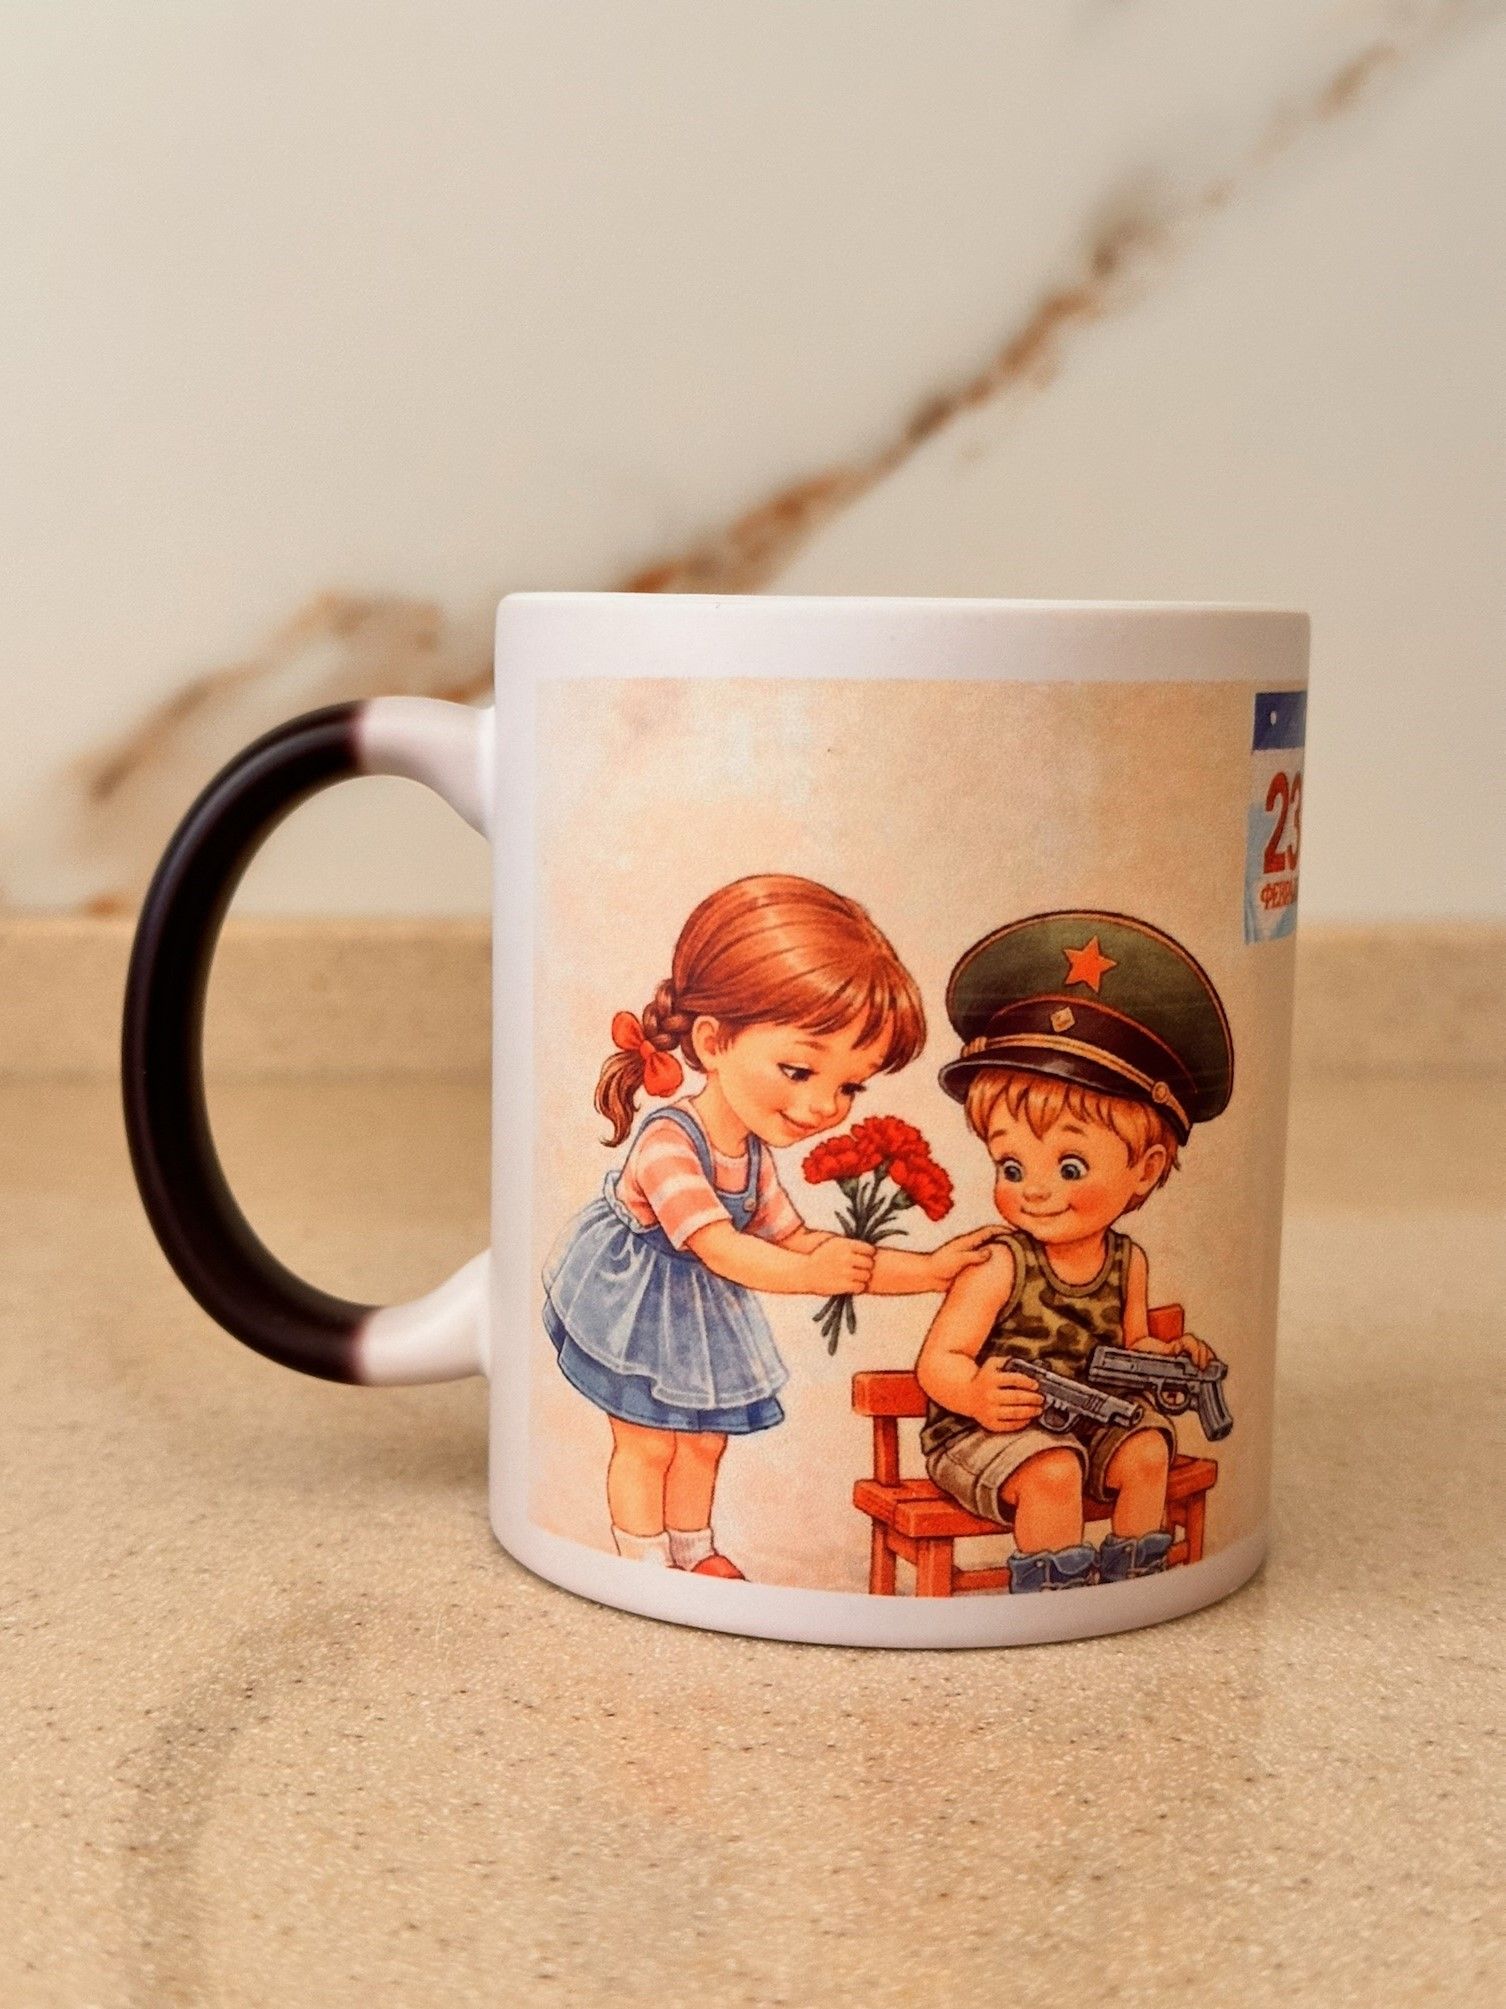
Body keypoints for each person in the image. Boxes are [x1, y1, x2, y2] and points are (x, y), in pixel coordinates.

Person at [544, 874, 998, 1580]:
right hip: (630, 1307)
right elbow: (723, 1248)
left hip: (698, 1314)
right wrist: (810, 1274)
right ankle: (641, 1564)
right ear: (713, 1040)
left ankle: (695, 1552)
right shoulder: (668, 1141)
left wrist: (930, 1270)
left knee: (704, 1444)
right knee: (649, 1444)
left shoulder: (753, 1155)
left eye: (848, 1086)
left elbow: (799, 1240)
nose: (824, 1106)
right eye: (798, 1069)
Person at [916, 911, 1235, 1592]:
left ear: (1145, 1170)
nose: (1034, 1190)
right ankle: (1049, 1594)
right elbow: (938, 1361)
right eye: (1010, 1166)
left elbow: (1131, 1343)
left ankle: (1133, 1581)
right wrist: (974, 1392)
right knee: (1053, 1471)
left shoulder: (1127, 1261)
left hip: (1092, 1418)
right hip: (982, 1430)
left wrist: (1167, 1357)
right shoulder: (1001, 1262)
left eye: (1069, 1167)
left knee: (1147, 1450)